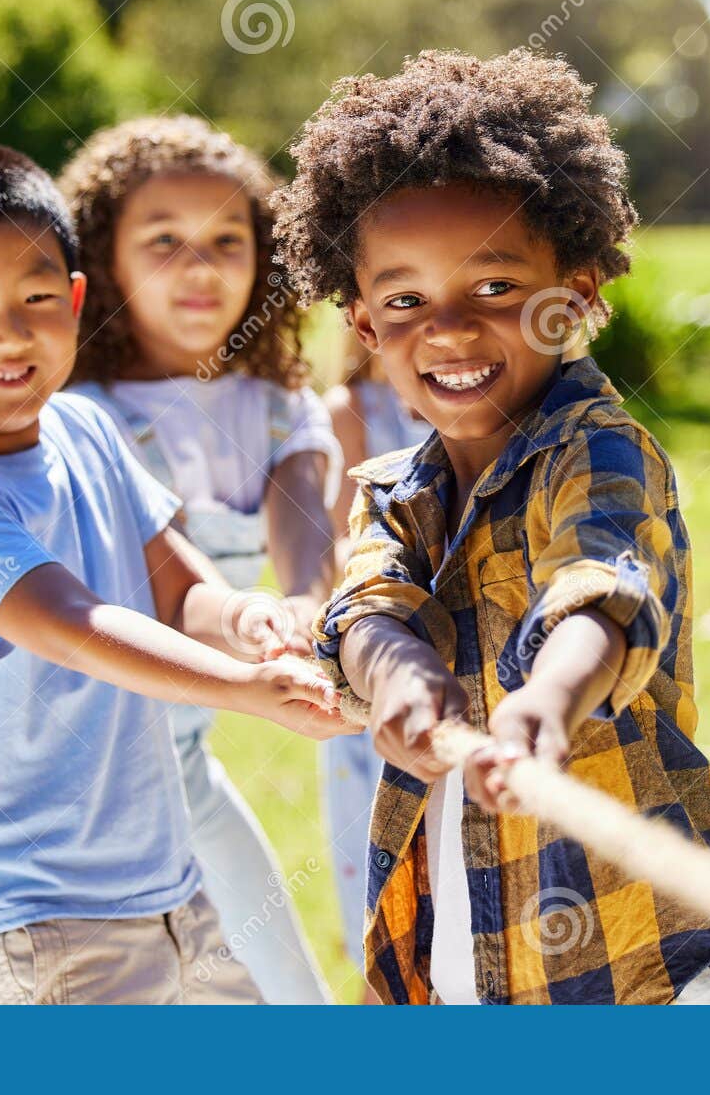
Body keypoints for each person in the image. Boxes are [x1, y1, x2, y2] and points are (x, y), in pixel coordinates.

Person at [274, 49, 710, 1005]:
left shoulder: (599, 448)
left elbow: (603, 584)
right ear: (365, 326)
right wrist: (395, 670)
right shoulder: (390, 490)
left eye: (496, 289)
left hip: (644, 964)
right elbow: (365, 605)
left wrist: (547, 699)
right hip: (469, 947)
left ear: (578, 294)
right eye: (406, 301)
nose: (452, 330)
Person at [0, 138, 349, 1004]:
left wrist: (244, 618)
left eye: (37, 298)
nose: (7, 333)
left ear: (76, 303)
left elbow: (174, 580)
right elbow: (78, 626)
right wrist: (240, 687)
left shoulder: (86, 433)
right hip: (36, 920)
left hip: (164, 882)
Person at [59, 116, 338, 1003]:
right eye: (164, 242)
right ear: (104, 262)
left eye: (227, 239)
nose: (201, 267)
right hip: (69, 796)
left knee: (287, 994)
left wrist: (299, 604)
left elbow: (305, 533)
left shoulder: (275, 408)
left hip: (182, 775)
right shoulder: (71, 410)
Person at [322, 331, 429, 987]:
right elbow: (339, 550)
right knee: (385, 925)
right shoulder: (351, 409)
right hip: (381, 678)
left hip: (465, 685)